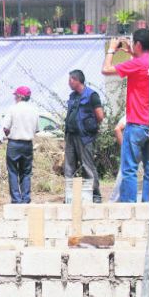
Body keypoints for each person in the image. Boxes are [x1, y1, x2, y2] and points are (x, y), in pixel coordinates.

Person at [102, 29, 149, 202]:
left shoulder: (137, 64)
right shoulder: (141, 62)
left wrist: (111, 49)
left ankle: (129, 206)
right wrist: (133, 53)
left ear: (138, 44)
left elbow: (106, 69)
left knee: (129, 169)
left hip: (136, 123)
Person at [63, 69, 104, 203]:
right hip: (71, 136)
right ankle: (69, 196)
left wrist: (90, 127)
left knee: (87, 166)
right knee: (69, 167)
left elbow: (100, 116)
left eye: (70, 80)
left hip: (85, 137)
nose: (69, 82)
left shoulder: (92, 95)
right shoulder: (72, 96)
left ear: (77, 80)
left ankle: (95, 195)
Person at [3, 86, 40, 204]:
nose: (14, 98)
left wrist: (8, 134)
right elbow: (36, 129)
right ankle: (26, 198)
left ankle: (16, 198)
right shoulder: (34, 110)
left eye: (15, 95)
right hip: (28, 144)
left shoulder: (13, 109)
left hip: (14, 143)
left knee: (13, 171)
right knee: (26, 172)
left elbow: (5, 127)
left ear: (20, 96)